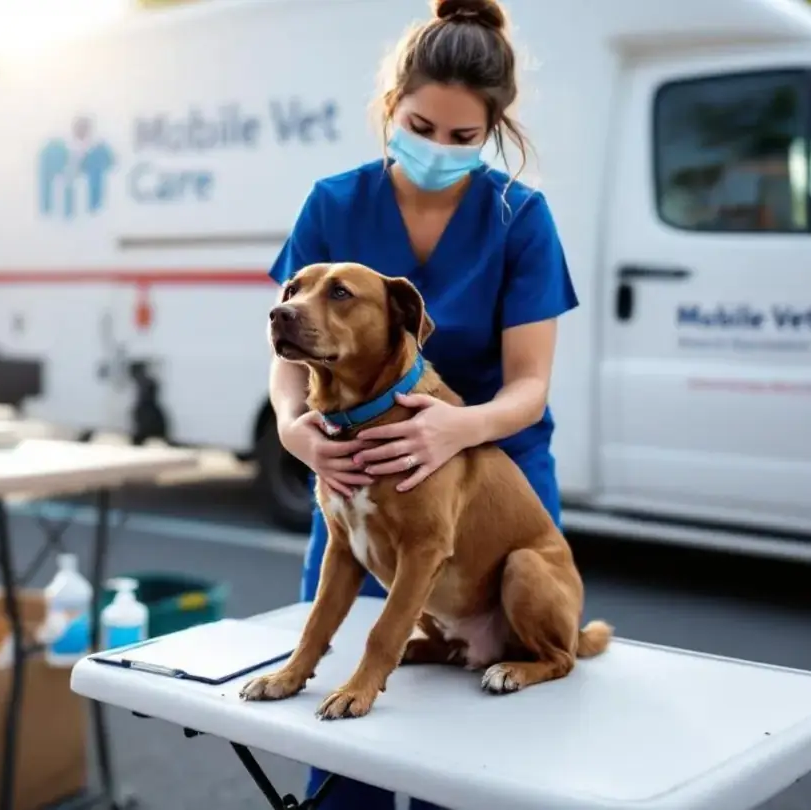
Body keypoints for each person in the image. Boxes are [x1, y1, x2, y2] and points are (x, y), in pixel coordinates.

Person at [265, 0, 578, 807]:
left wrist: (456, 428)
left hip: (488, 458)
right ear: (390, 109)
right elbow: (287, 358)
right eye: (420, 126)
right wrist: (297, 433)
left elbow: (529, 382)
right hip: (353, 460)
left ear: (493, 129)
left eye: (462, 137)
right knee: (340, 769)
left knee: (466, 773)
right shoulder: (332, 203)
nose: (438, 148)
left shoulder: (520, 218)